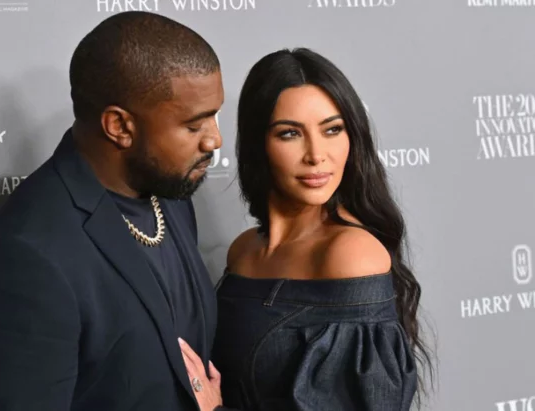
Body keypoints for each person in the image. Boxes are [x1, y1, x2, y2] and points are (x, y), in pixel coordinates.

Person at [0, 11, 224, 411]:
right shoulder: (30, 255)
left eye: (214, 117)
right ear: (119, 126)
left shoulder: (171, 195)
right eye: (194, 125)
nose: (214, 140)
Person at [181, 48, 434, 411]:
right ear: (259, 144)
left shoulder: (351, 254)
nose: (316, 154)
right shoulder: (244, 250)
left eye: (333, 130)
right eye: (290, 134)